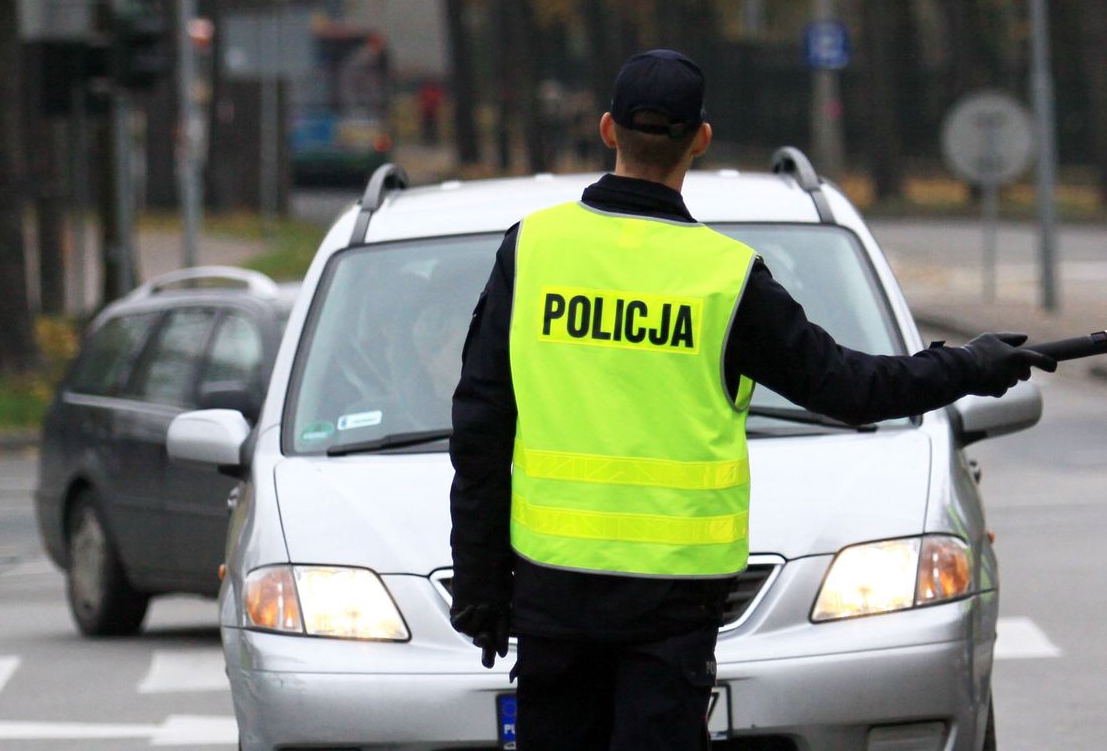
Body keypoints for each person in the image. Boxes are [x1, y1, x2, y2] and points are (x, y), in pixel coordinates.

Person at [447, 48, 1054, 751]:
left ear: (608, 129)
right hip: (672, 608)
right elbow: (850, 388)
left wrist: (480, 583)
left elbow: (480, 425)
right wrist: (969, 364)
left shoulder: (534, 250)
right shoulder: (725, 278)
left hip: (553, 597)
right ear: (700, 139)